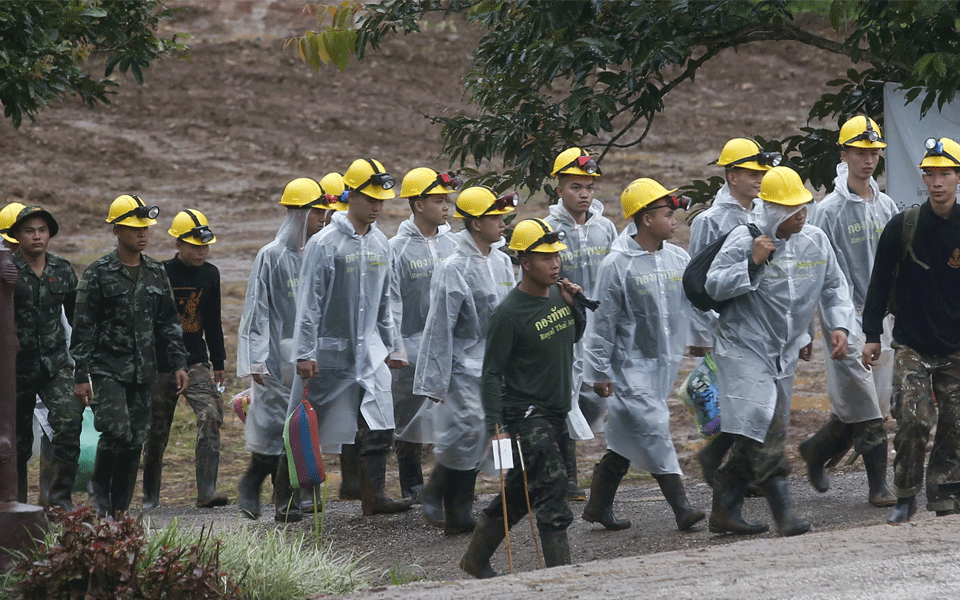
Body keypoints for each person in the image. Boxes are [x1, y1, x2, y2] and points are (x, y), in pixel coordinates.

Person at [705, 166, 854, 537]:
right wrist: (751, 262)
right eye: (791, 209)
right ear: (771, 210)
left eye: (803, 207)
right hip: (743, 346)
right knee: (764, 420)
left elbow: (834, 287)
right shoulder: (744, 239)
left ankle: (724, 501)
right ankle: (783, 513)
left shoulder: (815, 241)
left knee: (760, 428)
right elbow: (712, 286)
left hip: (784, 350)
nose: (801, 215)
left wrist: (839, 325)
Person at [460, 218, 584, 578]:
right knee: (552, 489)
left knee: (520, 490)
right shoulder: (509, 313)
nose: (555, 263)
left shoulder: (558, 296)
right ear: (524, 262)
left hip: (557, 410)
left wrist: (575, 306)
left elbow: (572, 337)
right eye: (545, 258)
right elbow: (492, 374)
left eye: (556, 256)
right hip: (527, 415)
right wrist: (495, 426)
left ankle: (475, 558)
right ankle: (560, 577)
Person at [292, 158, 412, 519]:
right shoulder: (326, 243)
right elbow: (309, 302)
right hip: (330, 350)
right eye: (370, 198)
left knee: (380, 419)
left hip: (369, 348)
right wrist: (304, 351)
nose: (377, 206)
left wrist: (393, 345)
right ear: (352, 195)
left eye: (381, 199)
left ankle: (373, 495)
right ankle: (292, 497)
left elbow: (388, 300)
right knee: (307, 422)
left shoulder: (381, 245)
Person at [581, 178, 705, 533]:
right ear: (646, 218)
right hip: (628, 367)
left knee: (627, 435)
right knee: (653, 427)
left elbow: (692, 305)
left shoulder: (677, 257)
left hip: (663, 365)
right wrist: (599, 372)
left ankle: (597, 505)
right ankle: (682, 508)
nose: (675, 220)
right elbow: (602, 323)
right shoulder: (616, 265)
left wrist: (700, 339)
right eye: (668, 214)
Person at [800, 116, 898, 508]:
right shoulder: (829, 210)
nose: (869, 160)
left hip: (883, 319)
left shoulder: (887, 205)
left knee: (872, 400)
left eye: (873, 152)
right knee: (866, 403)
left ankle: (815, 449)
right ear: (844, 155)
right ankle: (878, 486)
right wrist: (819, 325)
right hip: (847, 315)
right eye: (860, 152)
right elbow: (819, 272)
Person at [71, 194, 189, 517]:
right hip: (107, 369)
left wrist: (179, 363)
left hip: (143, 371)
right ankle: (99, 493)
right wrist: (81, 375)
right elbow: (83, 328)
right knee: (115, 431)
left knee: (136, 439)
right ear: (116, 231)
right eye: (134, 227)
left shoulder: (155, 272)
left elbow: (168, 322)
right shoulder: (98, 274)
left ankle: (119, 512)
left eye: (145, 228)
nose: (142, 233)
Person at [862, 137, 960, 523]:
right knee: (914, 420)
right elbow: (879, 283)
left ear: (957, 177)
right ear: (923, 177)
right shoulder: (903, 226)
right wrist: (872, 334)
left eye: (945, 174)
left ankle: (945, 492)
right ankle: (905, 493)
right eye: (931, 174)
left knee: (955, 422)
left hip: (955, 345)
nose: (937, 182)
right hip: (912, 344)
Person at [236, 176, 343, 521]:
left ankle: (291, 498)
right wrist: (256, 358)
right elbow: (257, 309)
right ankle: (251, 484)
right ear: (299, 214)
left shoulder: (322, 253)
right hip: (275, 360)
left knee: (299, 429)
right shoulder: (272, 257)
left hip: (307, 358)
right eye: (316, 214)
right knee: (271, 432)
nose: (322, 220)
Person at [414, 185, 516, 534]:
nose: (502, 223)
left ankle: (458, 513)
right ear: (475, 223)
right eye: (494, 217)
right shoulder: (453, 268)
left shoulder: (502, 261)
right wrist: (435, 379)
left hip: (494, 365)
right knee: (467, 430)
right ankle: (435, 492)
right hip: (462, 366)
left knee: (485, 434)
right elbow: (439, 326)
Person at [689, 138, 775, 488]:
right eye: (751, 172)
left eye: (761, 172)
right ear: (731, 175)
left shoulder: (763, 213)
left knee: (752, 400)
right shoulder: (710, 220)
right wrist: (701, 333)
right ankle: (739, 474)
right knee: (744, 400)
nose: (759, 178)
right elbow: (695, 281)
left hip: (759, 322)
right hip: (725, 323)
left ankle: (727, 461)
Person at [142, 209, 228, 510]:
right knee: (156, 432)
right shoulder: (159, 272)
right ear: (178, 244)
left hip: (196, 361)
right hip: (161, 363)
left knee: (210, 416)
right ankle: (150, 497)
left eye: (205, 246)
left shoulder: (210, 274)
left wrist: (218, 363)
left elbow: (213, 321)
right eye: (194, 246)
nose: (201, 252)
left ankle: (207, 491)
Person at [543, 147, 616, 501]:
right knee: (563, 399)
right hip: (563, 327)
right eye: (575, 187)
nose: (584, 194)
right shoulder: (548, 229)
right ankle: (567, 477)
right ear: (559, 190)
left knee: (596, 400)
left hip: (600, 328)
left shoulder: (606, 228)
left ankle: (604, 472)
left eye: (589, 186)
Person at [389, 167, 459, 503]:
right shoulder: (396, 249)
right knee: (408, 415)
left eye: (446, 199)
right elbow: (390, 302)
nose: (445, 206)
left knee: (453, 414)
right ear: (418, 205)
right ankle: (411, 483)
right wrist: (396, 345)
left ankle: (451, 484)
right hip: (412, 344)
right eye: (437, 200)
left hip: (451, 346)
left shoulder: (455, 244)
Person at [9, 205, 80, 509]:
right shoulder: (6, 271)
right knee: (17, 443)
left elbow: (79, 321)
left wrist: (83, 370)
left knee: (69, 422)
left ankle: (59, 501)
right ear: (17, 236)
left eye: (42, 230)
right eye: (29, 231)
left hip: (55, 364)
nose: (37, 237)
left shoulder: (62, 270)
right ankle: (16, 505)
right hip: (16, 368)